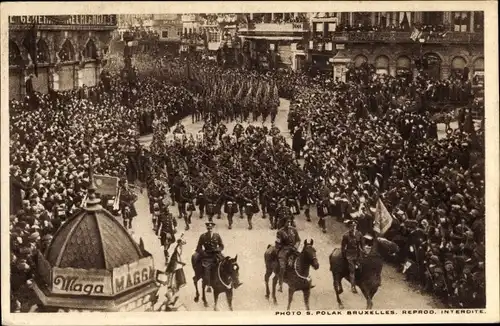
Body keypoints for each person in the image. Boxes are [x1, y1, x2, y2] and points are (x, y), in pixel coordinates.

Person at [275, 218, 303, 292]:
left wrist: (295, 247)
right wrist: (284, 249)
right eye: (287, 222)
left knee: (303, 261)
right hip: (284, 251)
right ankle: (280, 285)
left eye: (290, 222)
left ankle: (305, 280)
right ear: (284, 223)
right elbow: (278, 244)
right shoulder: (280, 232)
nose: (289, 223)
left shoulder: (293, 230)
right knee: (282, 267)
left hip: (294, 250)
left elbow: (298, 240)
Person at [195, 222, 224, 293]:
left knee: (225, 263)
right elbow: (198, 247)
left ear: (213, 228)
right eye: (208, 228)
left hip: (216, 254)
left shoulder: (217, 235)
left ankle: (228, 280)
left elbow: (221, 246)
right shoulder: (203, 236)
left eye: (211, 228)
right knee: (206, 268)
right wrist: (203, 253)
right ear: (206, 228)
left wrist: (217, 249)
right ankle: (208, 285)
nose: (210, 229)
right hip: (207, 256)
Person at [341, 220, 365, 293]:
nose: (354, 227)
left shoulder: (359, 234)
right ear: (350, 227)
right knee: (352, 271)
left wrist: (363, 250)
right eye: (352, 226)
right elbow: (343, 246)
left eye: (355, 226)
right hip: (350, 255)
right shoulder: (346, 235)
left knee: (362, 268)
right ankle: (353, 286)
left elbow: (362, 244)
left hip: (358, 254)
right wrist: (344, 255)